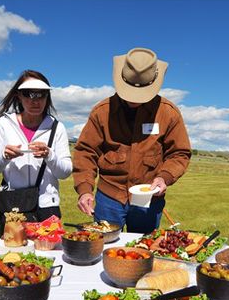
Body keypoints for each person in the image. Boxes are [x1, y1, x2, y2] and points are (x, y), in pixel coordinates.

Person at [72, 47, 192, 234]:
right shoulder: (102, 111)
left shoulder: (168, 113)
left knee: (143, 252)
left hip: (148, 197)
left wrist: (164, 177)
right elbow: (85, 152)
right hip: (109, 197)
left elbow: (179, 153)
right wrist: (85, 189)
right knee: (103, 249)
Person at [0, 70, 72, 238]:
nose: (35, 101)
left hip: (47, 205)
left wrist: (50, 155)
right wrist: (5, 156)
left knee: (48, 256)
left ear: (48, 97)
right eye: (28, 94)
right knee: (11, 256)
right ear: (18, 95)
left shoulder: (56, 127)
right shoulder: (4, 124)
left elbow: (65, 172)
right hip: (12, 205)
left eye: (41, 95)